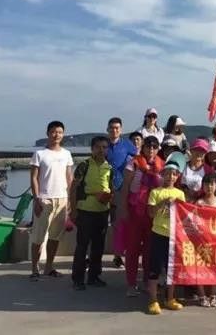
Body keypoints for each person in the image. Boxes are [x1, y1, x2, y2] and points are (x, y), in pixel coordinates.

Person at [119, 135, 164, 297]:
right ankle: (131, 284)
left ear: (158, 149)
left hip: (153, 211)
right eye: (148, 146)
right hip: (135, 210)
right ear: (143, 148)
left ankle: (147, 282)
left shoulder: (162, 165)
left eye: (154, 147)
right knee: (132, 249)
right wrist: (124, 209)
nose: (151, 149)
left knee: (150, 249)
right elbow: (125, 187)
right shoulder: (133, 163)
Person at [29, 120, 74, 281]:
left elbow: (69, 178)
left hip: (62, 199)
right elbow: (34, 178)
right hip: (45, 199)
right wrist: (37, 199)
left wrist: (70, 199)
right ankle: (35, 268)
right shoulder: (39, 154)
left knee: (55, 237)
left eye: (60, 132)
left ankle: (49, 267)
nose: (57, 135)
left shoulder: (66, 154)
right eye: (54, 132)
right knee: (38, 237)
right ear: (48, 133)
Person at [70, 136, 113, 290]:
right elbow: (73, 188)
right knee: (82, 246)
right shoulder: (84, 165)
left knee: (98, 247)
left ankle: (94, 277)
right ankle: (78, 279)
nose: (101, 150)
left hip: (102, 211)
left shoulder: (109, 167)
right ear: (92, 149)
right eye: (98, 147)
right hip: (85, 211)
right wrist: (73, 210)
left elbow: (111, 188)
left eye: (104, 147)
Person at [146, 153, 186, 315]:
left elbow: (184, 215)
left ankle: (170, 298)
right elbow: (150, 213)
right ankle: (153, 300)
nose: (171, 177)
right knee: (155, 268)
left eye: (174, 174)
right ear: (162, 175)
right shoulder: (155, 192)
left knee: (172, 269)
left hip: (174, 236)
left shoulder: (180, 194)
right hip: (158, 234)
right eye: (168, 173)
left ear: (177, 177)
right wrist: (163, 202)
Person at [106, 117, 137, 268]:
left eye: (117, 128)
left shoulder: (127, 145)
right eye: (112, 128)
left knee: (118, 223)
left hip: (120, 188)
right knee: (100, 224)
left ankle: (117, 255)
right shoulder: (103, 145)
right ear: (107, 129)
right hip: (103, 188)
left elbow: (137, 159)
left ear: (121, 130)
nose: (114, 130)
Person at [196, 173, 216, 307]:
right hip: (202, 240)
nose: (209, 187)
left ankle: (213, 294)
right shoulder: (199, 203)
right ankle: (201, 295)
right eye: (206, 184)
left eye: (212, 184)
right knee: (198, 267)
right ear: (202, 186)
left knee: (215, 266)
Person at [179, 138, 215, 203]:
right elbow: (176, 183)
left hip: (200, 203)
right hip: (182, 202)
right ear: (191, 150)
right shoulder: (182, 166)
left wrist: (197, 194)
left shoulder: (209, 170)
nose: (199, 153)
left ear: (205, 154)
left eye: (202, 151)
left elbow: (212, 188)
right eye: (196, 150)